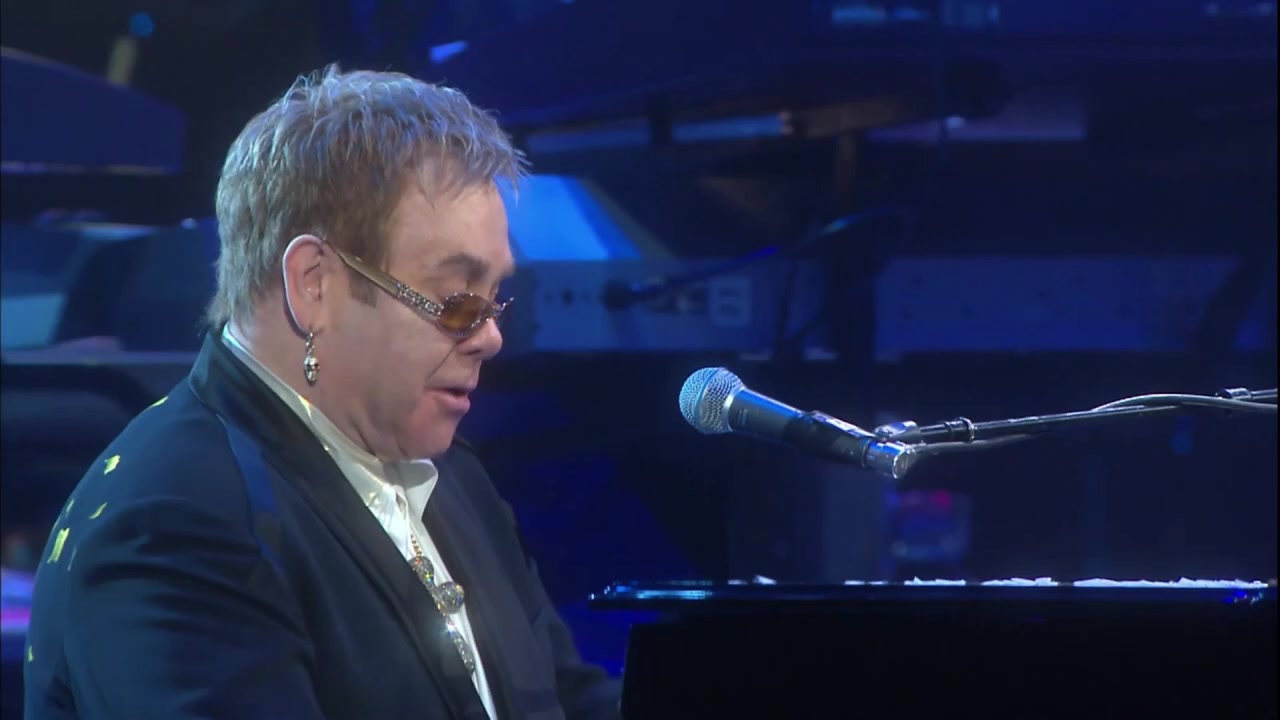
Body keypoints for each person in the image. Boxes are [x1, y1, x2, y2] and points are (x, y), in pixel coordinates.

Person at [23, 65, 622, 720]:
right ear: (315, 284)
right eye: (457, 300)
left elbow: (567, 702)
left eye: (496, 298)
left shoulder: (454, 477)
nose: (491, 338)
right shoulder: (177, 523)